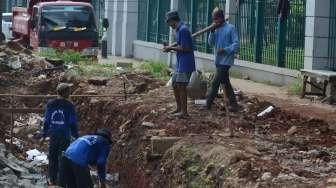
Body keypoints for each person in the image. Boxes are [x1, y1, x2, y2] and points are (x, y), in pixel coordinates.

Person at [42, 83, 78, 185]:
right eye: (69, 91)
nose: (70, 93)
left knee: (52, 157)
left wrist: (44, 134)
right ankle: (61, 182)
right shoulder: (69, 105)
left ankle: (52, 179)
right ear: (65, 92)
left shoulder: (51, 104)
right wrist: (76, 136)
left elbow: (46, 120)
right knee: (63, 159)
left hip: (53, 135)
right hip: (64, 136)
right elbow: (72, 123)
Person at [206, 7, 240, 112]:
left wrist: (225, 50)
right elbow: (210, 43)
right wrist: (211, 32)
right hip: (218, 60)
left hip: (226, 61)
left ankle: (208, 104)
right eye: (213, 19)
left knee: (215, 83)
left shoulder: (231, 28)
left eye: (215, 19)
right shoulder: (216, 29)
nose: (214, 21)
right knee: (226, 83)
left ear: (221, 18)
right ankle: (234, 105)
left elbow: (236, 44)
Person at [163, 10, 196, 118]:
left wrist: (171, 48)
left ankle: (184, 112)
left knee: (181, 86)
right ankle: (179, 107)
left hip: (186, 63)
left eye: (169, 23)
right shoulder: (178, 30)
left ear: (172, 20)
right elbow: (179, 42)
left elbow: (185, 48)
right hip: (180, 63)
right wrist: (169, 47)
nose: (169, 25)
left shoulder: (183, 30)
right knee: (175, 84)